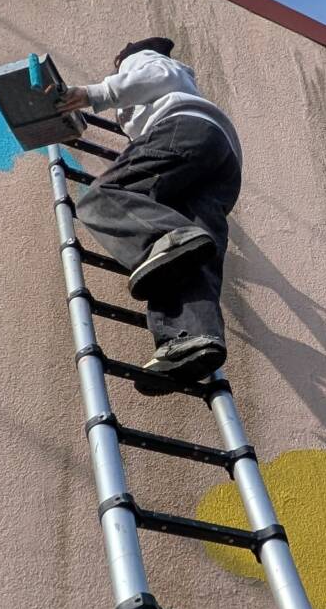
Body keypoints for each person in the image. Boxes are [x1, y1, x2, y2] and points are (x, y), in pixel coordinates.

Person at [61, 36, 241, 384]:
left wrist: (91, 94)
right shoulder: (178, 92)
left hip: (185, 130)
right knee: (184, 259)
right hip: (219, 160)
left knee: (103, 197)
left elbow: (160, 75)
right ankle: (189, 338)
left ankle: (169, 235)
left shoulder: (142, 60)